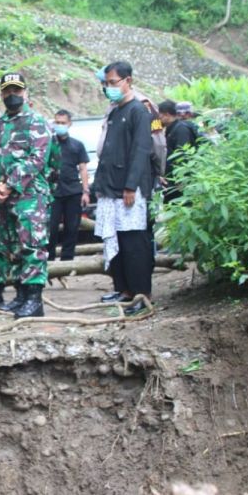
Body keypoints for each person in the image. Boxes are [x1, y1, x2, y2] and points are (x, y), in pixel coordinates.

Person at [0, 72, 52, 318]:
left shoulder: (36, 122)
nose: (12, 95)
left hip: (30, 198)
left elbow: (38, 159)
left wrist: (9, 183)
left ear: (25, 92)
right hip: (3, 199)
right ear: (1, 94)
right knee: (8, 246)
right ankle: (19, 296)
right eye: (7, 91)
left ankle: (34, 300)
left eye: (16, 91)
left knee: (32, 245)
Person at [94, 61, 155, 316]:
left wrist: (130, 186)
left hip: (129, 190)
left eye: (113, 83)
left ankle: (141, 294)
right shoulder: (115, 111)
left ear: (128, 80)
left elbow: (141, 150)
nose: (109, 88)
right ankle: (124, 290)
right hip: (110, 187)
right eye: (106, 84)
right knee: (115, 241)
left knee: (134, 244)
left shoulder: (138, 111)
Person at [47, 109, 90, 261]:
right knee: (50, 229)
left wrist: (85, 192)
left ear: (69, 124)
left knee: (71, 228)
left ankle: (67, 261)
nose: (60, 126)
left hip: (73, 191)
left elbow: (83, 168)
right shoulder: (47, 145)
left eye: (63, 123)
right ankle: (49, 260)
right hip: (52, 193)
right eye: (57, 123)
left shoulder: (77, 145)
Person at [158, 99, 199, 204]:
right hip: (172, 179)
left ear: (167, 115)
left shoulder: (181, 129)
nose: (159, 119)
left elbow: (182, 154)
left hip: (179, 181)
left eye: (160, 116)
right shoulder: (172, 128)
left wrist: (182, 179)